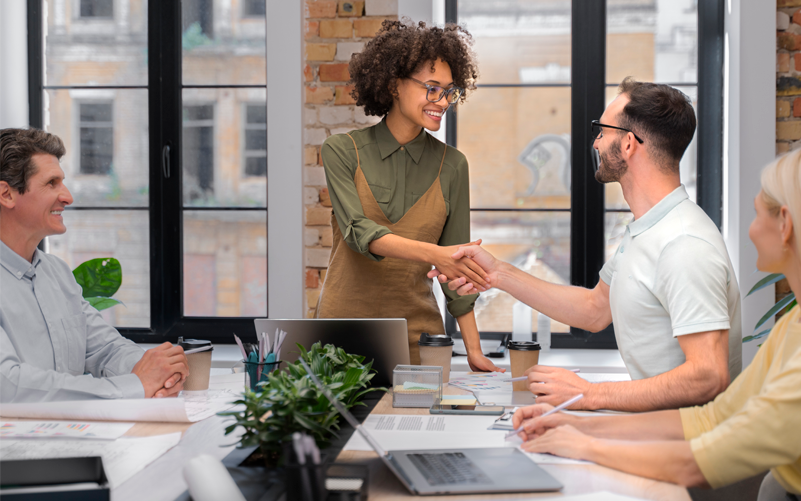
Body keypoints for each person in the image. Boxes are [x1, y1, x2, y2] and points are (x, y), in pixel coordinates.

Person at [431, 78, 741, 411]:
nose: (595, 143)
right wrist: (498, 274)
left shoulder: (684, 244)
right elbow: (595, 309)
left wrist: (590, 394)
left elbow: (708, 376)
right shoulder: (647, 229)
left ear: (628, 145)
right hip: (657, 434)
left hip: (689, 452)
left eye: (603, 130)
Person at [510, 149, 801, 500]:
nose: (750, 230)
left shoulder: (685, 244)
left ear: (785, 224)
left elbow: (700, 456)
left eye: (756, 214)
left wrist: (584, 440)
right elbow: (710, 419)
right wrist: (577, 424)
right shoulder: (791, 325)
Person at [315, 20, 501, 371]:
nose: (443, 101)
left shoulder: (453, 166)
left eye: (449, 91)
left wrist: (474, 350)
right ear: (393, 85)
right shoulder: (341, 151)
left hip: (419, 341)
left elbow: (456, 270)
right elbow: (359, 232)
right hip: (340, 338)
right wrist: (437, 255)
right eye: (432, 88)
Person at [0, 128, 189, 403]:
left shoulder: (57, 274)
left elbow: (107, 349)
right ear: (6, 194)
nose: (67, 197)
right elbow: (9, 384)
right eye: (51, 183)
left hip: (75, 435)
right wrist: (136, 385)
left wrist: (161, 372)